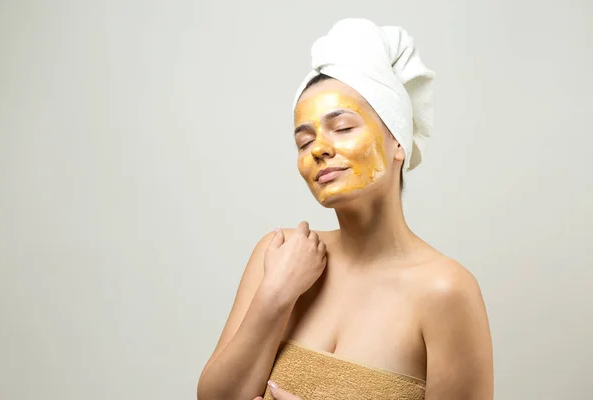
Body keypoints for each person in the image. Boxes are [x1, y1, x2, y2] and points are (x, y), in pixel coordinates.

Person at [197, 18, 493, 400]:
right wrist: (275, 296)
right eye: (304, 142)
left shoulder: (446, 290)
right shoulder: (279, 256)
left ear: (397, 141)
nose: (318, 148)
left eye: (343, 127)